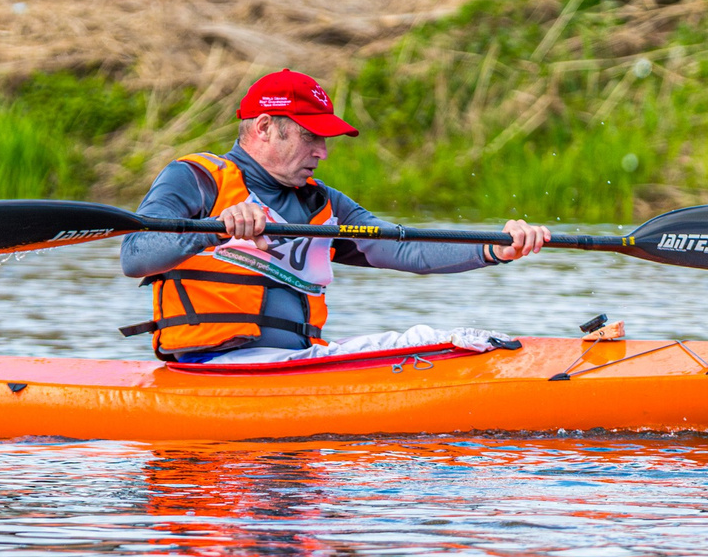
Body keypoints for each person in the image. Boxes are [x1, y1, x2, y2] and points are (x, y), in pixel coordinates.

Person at [118, 70, 552, 364]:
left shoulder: (323, 204)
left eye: (325, 140)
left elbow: (405, 247)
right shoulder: (195, 179)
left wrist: (493, 248)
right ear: (265, 126)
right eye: (311, 137)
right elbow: (134, 257)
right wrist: (213, 231)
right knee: (424, 345)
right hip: (216, 366)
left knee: (438, 340)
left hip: (291, 367)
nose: (322, 153)